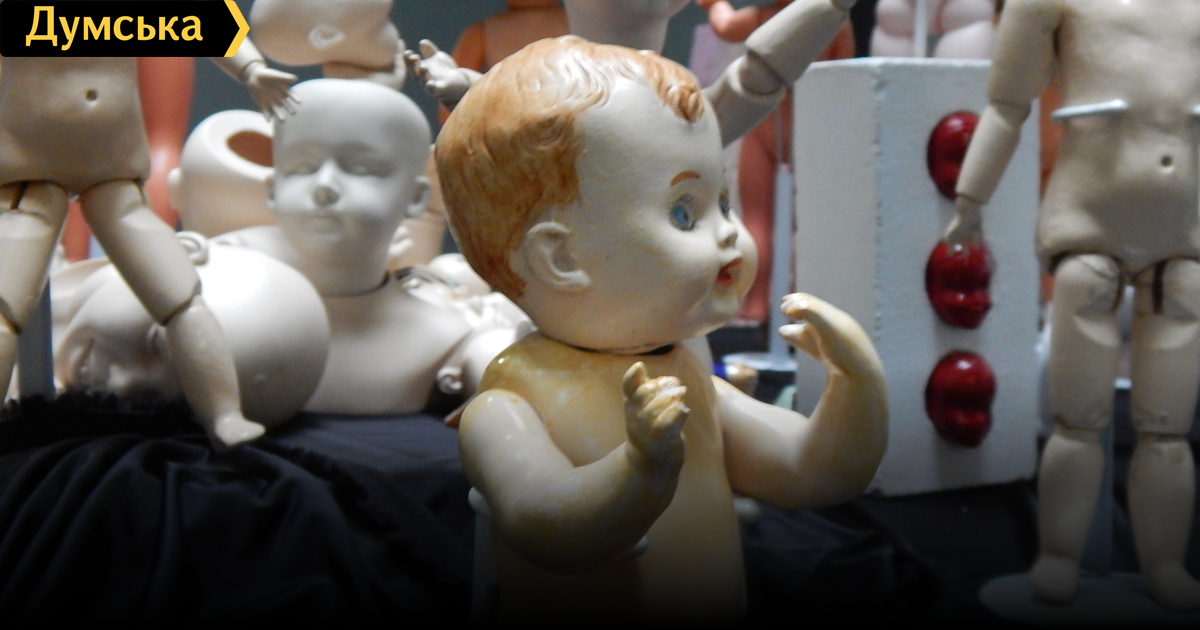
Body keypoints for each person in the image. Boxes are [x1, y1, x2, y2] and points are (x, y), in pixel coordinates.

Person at [437, 36, 888, 622]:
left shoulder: (686, 380)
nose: (728, 233)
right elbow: (545, 525)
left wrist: (855, 383)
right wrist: (638, 470)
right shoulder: (505, 407)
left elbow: (812, 469)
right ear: (561, 258)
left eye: (723, 201)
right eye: (683, 211)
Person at [944, 0, 1200, 610]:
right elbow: (1007, 105)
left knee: (1168, 428)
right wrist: (970, 199)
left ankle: (1163, 562)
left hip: (1183, 235)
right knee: (1078, 418)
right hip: (1089, 223)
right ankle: (1061, 553)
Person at [0, 50, 294, 449]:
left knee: (180, 296)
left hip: (113, 171)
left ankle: (225, 414)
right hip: (30, 170)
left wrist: (251, 68)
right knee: (5, 306)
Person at [223, 78, 522, 414]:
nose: (324, 186)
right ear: (272, 189)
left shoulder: (443, 339)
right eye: (302, 167)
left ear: (415, 197)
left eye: (361, 168)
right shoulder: (220, 301)